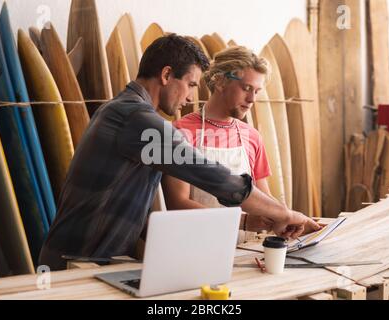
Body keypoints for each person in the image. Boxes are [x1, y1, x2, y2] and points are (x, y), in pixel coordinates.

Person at [39, 34, 320, 270]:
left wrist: (246, 221)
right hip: (74, 262)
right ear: (166, 75)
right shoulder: (138, 121)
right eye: (192, 84)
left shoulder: (123, 111)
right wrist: (287, 214)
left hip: (95, 258)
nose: (190, 96)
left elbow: (146, 215)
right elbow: (217, 179)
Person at [162, 46, 276, 232]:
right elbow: (177, 203)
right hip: (196, 246)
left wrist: (286, 218)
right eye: (246, 88)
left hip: (244, 250)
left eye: (257, 91)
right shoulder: (181, 132)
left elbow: (264, 199)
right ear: (220, 82)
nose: (252, 99)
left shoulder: (252, 137)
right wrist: (242, 222)